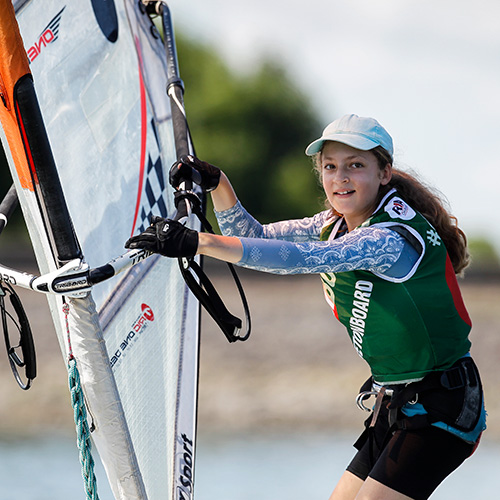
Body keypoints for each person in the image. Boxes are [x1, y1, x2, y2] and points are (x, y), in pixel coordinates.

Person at [126, 114, 486, 500]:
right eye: (330, 167)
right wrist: (219, 184)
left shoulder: (390, 237)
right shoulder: (332, 222)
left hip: (443, 406)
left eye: (355, 166)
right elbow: (254, 236)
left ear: (384, 173)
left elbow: (300, 258)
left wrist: (198, 242)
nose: (340, 178)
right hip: (398, 404)